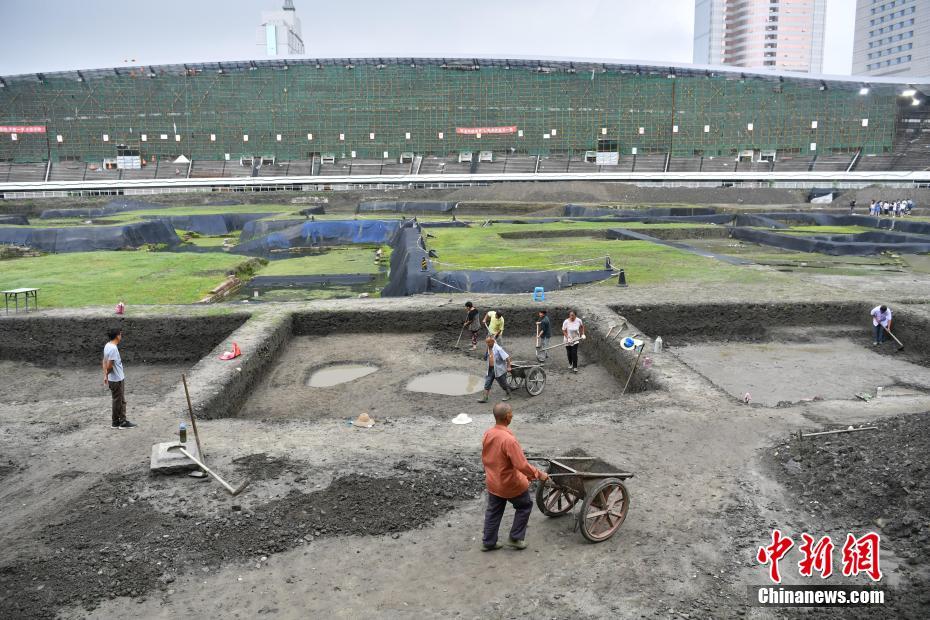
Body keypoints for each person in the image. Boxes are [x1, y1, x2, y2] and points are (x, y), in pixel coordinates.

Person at [480, 402, 549, 551]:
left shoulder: (488, 433)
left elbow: (489, 456)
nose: (512, 415)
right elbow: (522, 465)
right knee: (524, 506)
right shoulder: (509, 440)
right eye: (511, 413)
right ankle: (516, 538)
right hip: (510, 484)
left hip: (493, 481)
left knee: (493, 511)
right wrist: (539, 474)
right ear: (507, 417)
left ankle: (488, 542)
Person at [102, 328, 136, 429]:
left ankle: (115, 422)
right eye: (120, 334)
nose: (121, 336)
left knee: (116, 400)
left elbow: (104, 361)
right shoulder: (112, 348)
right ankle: (123, 422)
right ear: (117, 336)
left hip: (114, 379)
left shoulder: (107, 345)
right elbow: (109, 365)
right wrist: (106, 374)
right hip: (117, 379)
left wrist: (105, 375)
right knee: (120, 401)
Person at [478, 336, 512, 403]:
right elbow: (486, 357)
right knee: (487, 383)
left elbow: (507, 358)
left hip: (499, 370)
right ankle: (485, 398)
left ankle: (508, 394)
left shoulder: (498, 349)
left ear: (493, 342)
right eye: (486, 342)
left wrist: (509, 366)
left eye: (488, 342)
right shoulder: (488, 348)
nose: (487, 344)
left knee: (503, 384)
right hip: (490, 369)